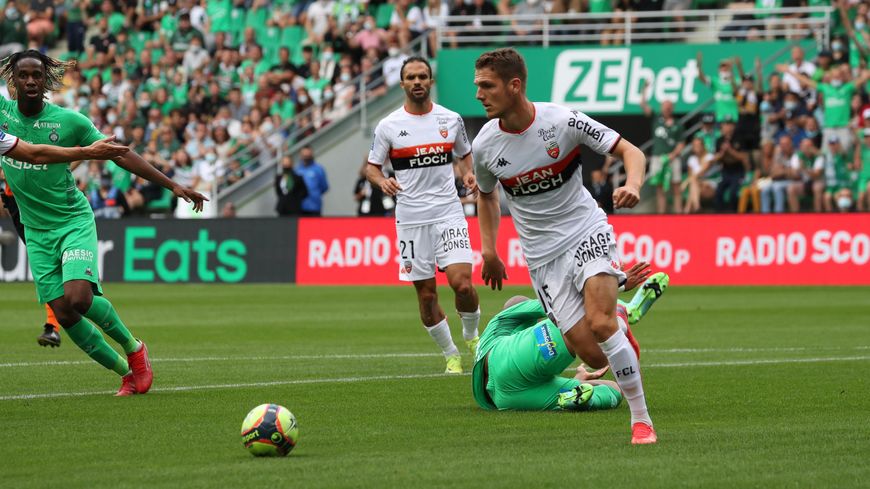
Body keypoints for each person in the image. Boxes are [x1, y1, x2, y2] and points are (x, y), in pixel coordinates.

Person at [471, 48, 656, 444]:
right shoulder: (485, 146)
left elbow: (630, 151)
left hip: (586, 230)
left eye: (487, 86)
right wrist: (490, 250)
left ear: (514, 85)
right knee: (593, 354)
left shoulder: (562, 121)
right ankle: (622, 317)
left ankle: (641, 421)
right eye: (477, 86)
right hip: (542, 259)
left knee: (601, 323)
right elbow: (486, 196)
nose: (479, 94)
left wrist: (633, 184)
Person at [0, 50, 206, 396]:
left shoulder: (70, 122)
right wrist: (85, 153)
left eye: (37, 75)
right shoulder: (2, 116)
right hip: (35, 230)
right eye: (24, 76)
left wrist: (171, 184)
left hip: (71, 220)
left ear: (47, 79)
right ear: (13, 81)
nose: (31, 81)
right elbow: (33, 154)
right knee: (64, 314)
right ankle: (125, 372)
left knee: (78, 298)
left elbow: (118, 152)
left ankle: (135, 348)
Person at [366, 56, 481, 374]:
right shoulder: (389, 126)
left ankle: (472, 336)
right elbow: (371, 168)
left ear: (431, 82)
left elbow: (464, 154)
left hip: (449, 212)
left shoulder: (451, 119)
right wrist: (382, 180)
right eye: (411, 77)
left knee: (462, 285)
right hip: (411, 219)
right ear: (402, 84)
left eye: (423, 76)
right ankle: (450, 354)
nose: (417, 82)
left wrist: (468, 174)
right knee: (427, 294)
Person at [472, 267, 669, 413]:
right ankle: (623, 312)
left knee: (615, 390)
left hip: (508, 398)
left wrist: (576, 382)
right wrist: (618, 285)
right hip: (509, 361)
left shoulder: (498, 331)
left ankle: (582, 400)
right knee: (575, 328)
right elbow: (561, 305)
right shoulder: (498, 325)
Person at [0, 130, 130, 348]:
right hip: (20, 208)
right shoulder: (11, 134)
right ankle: (54, 324)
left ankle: (53, 325)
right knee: (52, 272)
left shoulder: (30, 135)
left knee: (67, 280)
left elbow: (57, 162)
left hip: (40, 206)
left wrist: (88, 153)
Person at [640, 80, 685, 214]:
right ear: (661, 107)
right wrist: (645, 89)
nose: (667, 108)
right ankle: (661, 214)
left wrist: (672, 155)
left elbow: (681, 143)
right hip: (658, 158)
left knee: (676, 186)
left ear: (672, 108)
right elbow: (643, 104)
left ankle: (679, 213)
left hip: (673, 159)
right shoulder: (656, 119)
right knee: (659, 188)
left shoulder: (678, 124)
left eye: (669, 106)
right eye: (665, 106)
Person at [296, 145, 330, 216]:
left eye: (308, 155)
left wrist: (315, 193)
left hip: (314, 206)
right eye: (304, 155)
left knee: (315, 226)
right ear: (301, 156)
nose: (306, 157)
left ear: (311, 155)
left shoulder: (318, 169)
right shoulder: (297, 170)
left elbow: (324, 187)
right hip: (300, 206)